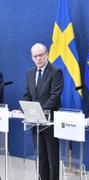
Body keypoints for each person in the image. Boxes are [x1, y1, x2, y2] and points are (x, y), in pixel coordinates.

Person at [22, 43, 64, 180]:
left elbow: (55, 96)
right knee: (40, 158)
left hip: (50, 123)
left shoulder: (56, 71)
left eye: (41, 55)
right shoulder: (29, 73)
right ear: (32, 58)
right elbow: (27, 94)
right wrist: (24, 107)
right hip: (35, 123)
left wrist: (40, 111)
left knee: (52, 160)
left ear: (47, 54)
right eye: (35, 56)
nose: (38, 58)